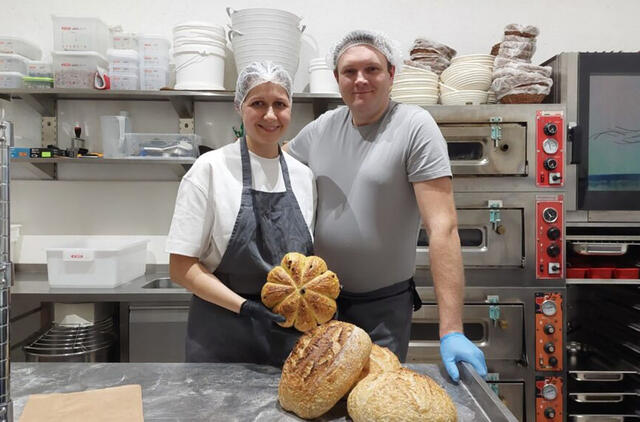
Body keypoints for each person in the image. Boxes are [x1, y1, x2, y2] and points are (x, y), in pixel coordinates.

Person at [284, 30, 487, 382]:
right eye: (349, 72)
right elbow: (275, 162)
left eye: (371, 69)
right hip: (322, 304)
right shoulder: (323, 127)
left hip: (383, 310)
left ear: (391, 74)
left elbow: (443, 228)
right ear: (337, 79)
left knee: (378, 402)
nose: (360, 80)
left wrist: (451, 328)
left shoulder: (414, 126)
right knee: (323, 401)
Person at [166, 61, 315, 366]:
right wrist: (247, 308)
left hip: (288, 336)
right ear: (239, 107)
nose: (270, 115)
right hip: (222, 334)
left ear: (291, 110)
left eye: (280, 104)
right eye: (258, 103)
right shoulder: (210, 169)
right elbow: (181, 267)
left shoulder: (304, 177)